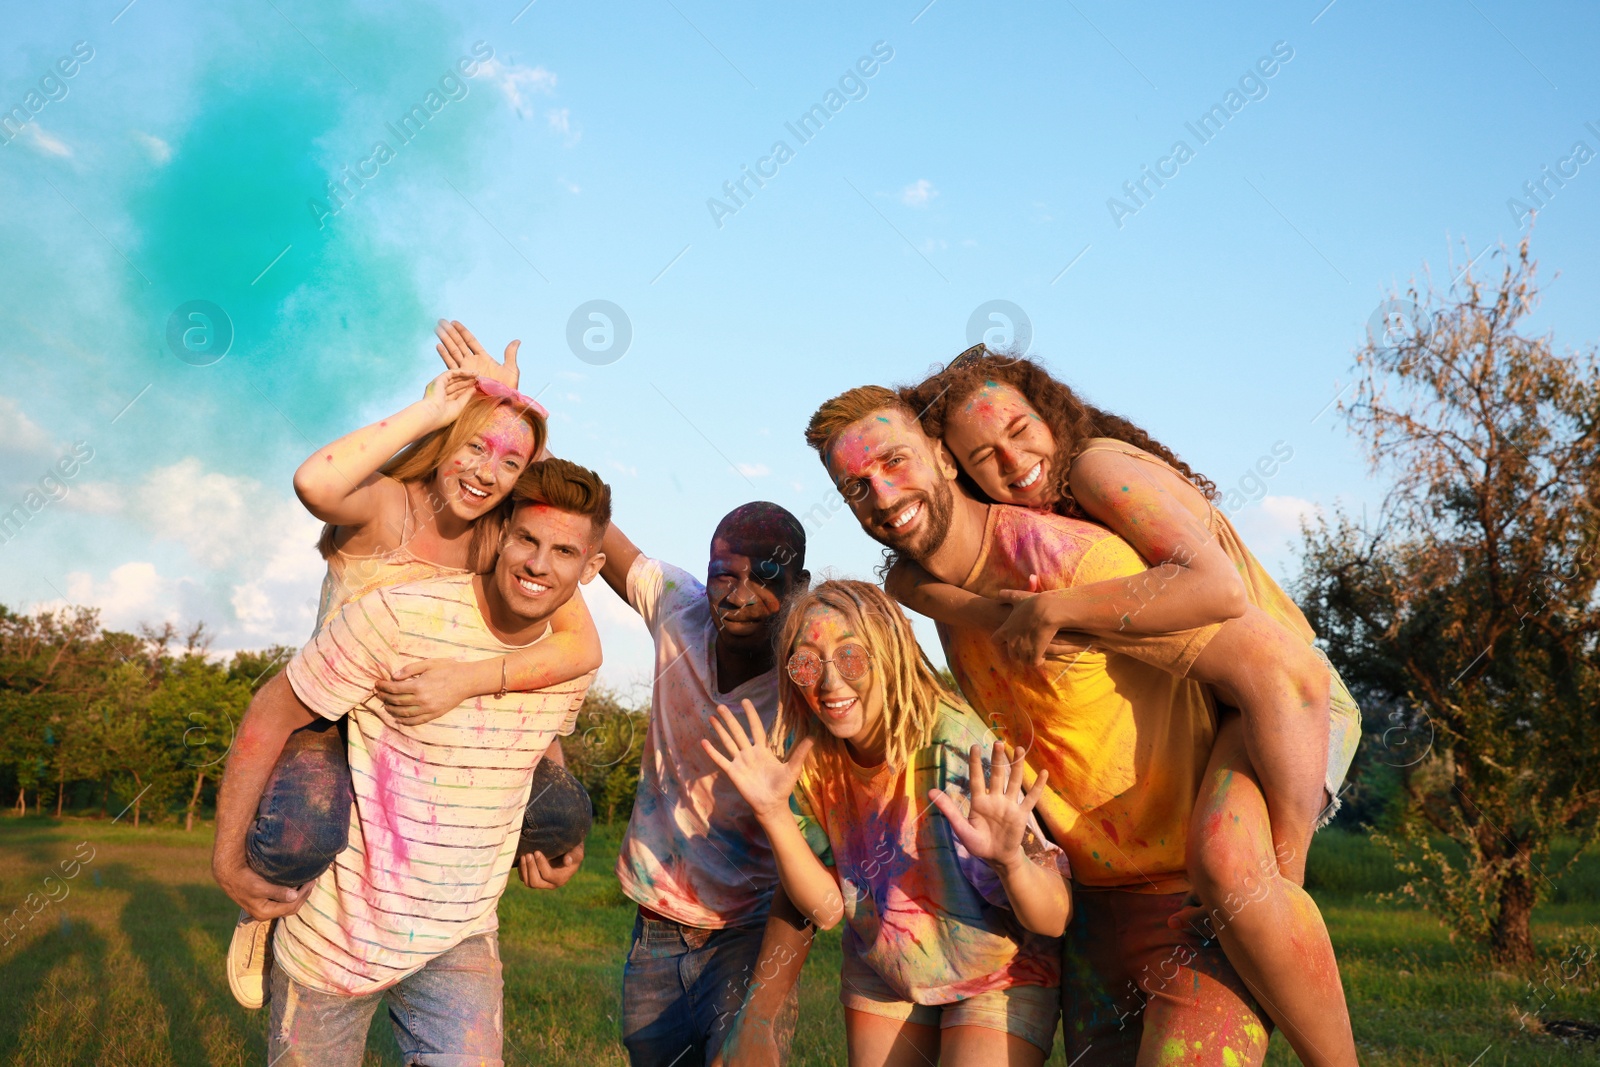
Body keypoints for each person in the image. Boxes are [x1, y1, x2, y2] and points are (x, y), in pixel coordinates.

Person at [806, 386, 1349, 1066]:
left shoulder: (1068, 565)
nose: (882, 495)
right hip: (1095, 922)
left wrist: (1279, 882)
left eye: (895, 461)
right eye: (856, 487)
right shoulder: (931, 592)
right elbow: (911, 585)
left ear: (944, 458)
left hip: (1195, 907)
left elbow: (1290, 675)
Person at [225, 322, 604, 1010]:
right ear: (446, 442)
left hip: (420, 729)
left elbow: (575, 642)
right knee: (308, 811)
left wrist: (514, 412)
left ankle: (451, 925)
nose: (487, 471)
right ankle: (265, 909)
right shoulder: (382, 507)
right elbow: (315, 479)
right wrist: (442, 405)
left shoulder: (497, 541)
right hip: (334, 721)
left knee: (563, 804)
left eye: (509, 463)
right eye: (474, 447)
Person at [704, 579, 1070, 1066]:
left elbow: (1054, 918)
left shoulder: (959, 749)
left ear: (890, 653)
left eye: (851, 658)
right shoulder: (811, 757)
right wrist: (774, 815)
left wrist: (1010, 862)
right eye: (807, 663)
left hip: (998, 967)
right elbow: (828, 909)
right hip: (887, 962)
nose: (830, 683)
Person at [597, 502, 814, 1066]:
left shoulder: (811, 685)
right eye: (725, 574)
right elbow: (588, 523)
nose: (740, 594)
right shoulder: (678, 607)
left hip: (750, 931)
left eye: (767, 577)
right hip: (656, 922)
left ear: (799, 585)